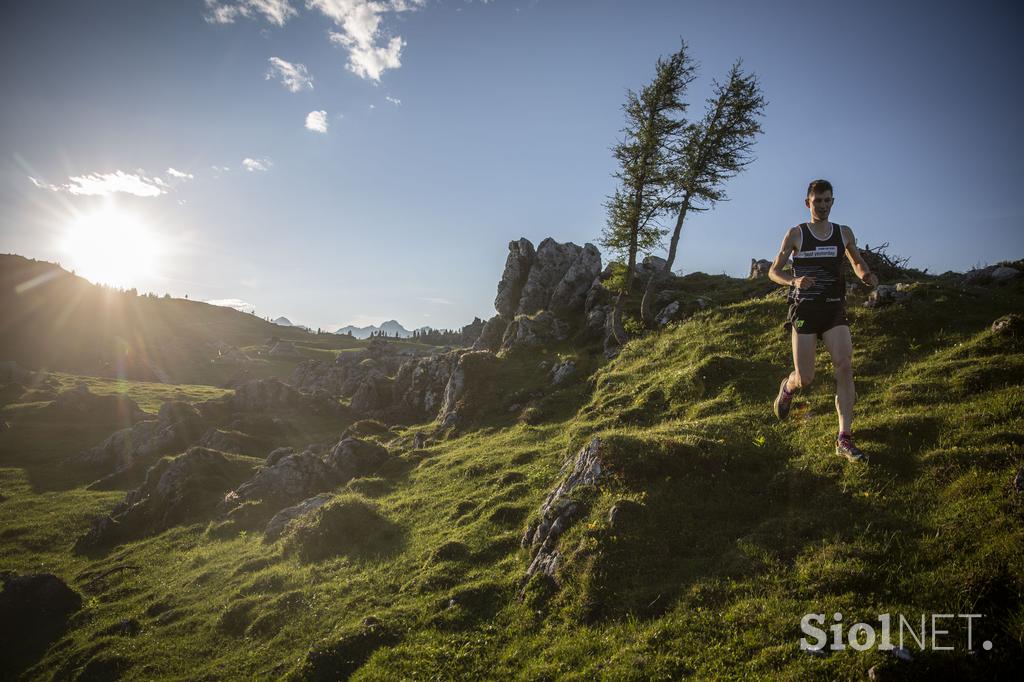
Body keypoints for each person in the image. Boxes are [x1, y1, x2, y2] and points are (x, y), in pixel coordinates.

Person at [768, 179, 879, 461]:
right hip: (804, 311)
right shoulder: (796, 234)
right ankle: (788, 386)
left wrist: (865, 274)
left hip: (833, 309)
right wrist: (794, 281)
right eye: (818, 201)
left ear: (833, 201)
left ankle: (844, 438)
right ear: (808, 203)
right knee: (806, 378)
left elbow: (856, 261)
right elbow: (773, 271)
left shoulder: (843, 233)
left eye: (828, 200)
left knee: (844, 365)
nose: (823, 206)